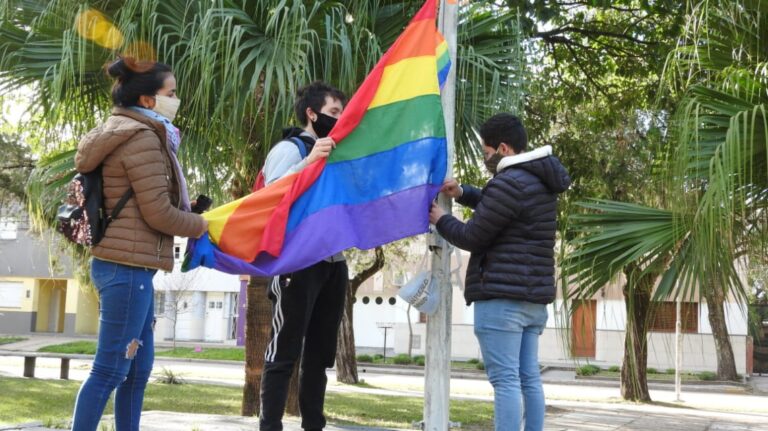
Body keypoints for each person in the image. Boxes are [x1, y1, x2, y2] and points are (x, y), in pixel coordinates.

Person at [71, 57, 208, 431]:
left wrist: (188, 210)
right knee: (111, 368)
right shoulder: (143, 136)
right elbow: (158, 215)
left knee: (136, 371)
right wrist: (202, 224)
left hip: (132, 266)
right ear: (148, 100)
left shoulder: (130, 131)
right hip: (126, 268)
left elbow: (145, 202)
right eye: (172, 93)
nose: (176, 99)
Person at [429, 113, 570, 431]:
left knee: (505, 381)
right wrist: (464, 193)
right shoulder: (537, 180)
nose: (485, 158)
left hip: (502, 300)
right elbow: (503, 209)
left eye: (486, 151)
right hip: (532, 301)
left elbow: (473, 236)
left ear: (503, 149)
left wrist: (441, 219)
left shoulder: (508, 183)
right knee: (528, 379)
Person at [259, 81, 348, 431]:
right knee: (284, 351)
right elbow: (269, 198)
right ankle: (270, 425)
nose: (339, 119)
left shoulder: (338, 151)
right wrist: (310, 161)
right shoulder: (290, 149)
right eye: (333, 113)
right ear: (312, 114)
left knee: (319, 356)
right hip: (297, 262)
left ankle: (314, 424)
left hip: (333, 263)